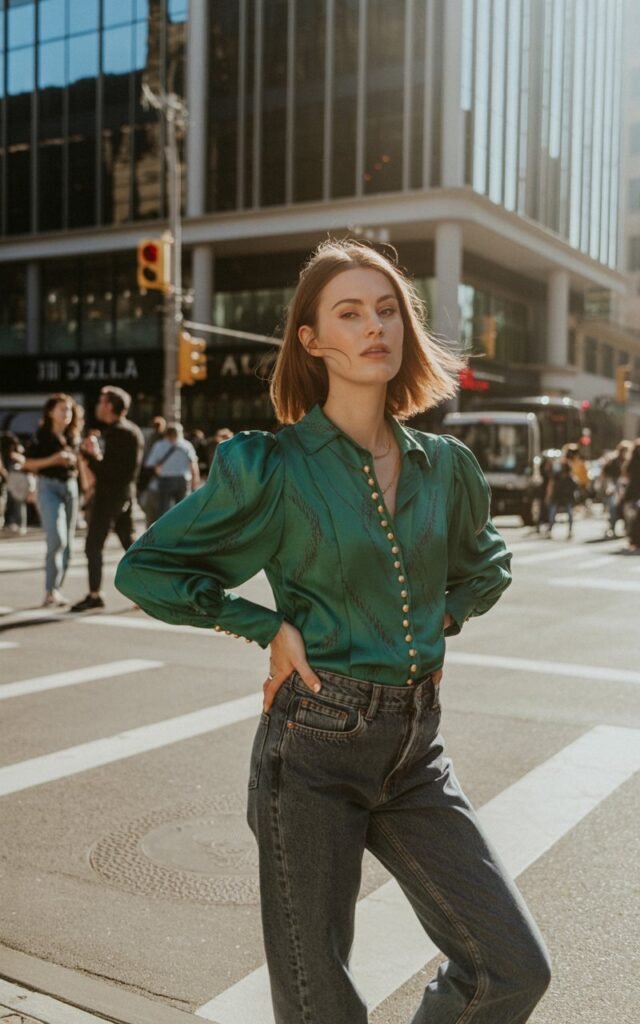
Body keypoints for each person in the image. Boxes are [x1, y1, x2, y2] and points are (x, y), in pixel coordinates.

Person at [115, 239, 550, 1024]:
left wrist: (431, 622)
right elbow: (147, 570)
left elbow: (487, 566)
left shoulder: (445, 466)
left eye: (387, 310)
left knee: (511, 970)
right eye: (348, 313)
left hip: (417, 748)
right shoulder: (273, 466)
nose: (373, 326)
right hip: (312, 745)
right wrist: (263, 625)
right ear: (311, 341)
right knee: (321, 1006)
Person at [70, 386, 143, 612]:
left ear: (110, 406)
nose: (97, 406)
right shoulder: (130, 430)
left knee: (94, 546)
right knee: (130, 547)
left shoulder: (118, 432)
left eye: (101, 402)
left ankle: (95, 594)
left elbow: (110, 471)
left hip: (110, 497)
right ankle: (144, 593)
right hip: (123, 496)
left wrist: (89, 457)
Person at [23, 394, 80, 606]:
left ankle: (56, 589)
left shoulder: (73, 435)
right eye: (62, 409)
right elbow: (27, 463)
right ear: (50, 412)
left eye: (69, 410)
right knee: (57, 539)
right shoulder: (42, 435)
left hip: (71, 487)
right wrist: (54, 460)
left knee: (69, 546)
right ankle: (50, 590)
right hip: (48, 486)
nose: (67, 413)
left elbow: (79, 466)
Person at [144, 422, 200, 519]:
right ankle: (181, 529)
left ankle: (165, 531)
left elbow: (150, 464)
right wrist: (195, 480)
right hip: (183, 480)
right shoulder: (186, 445)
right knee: (182, 509)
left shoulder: (159, 445)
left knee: (164, 509)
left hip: (165, 480)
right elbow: (193, 465)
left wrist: (159, 470)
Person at [545, 457, 578, 539]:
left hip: (566, 496)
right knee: (553, 513)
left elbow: (575, 485)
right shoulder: (556, 475)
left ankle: (569, 530)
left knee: (569, 513)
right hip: (557, 496)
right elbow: (551, 485)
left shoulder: (569, 476)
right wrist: (548, 496)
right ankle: (550, 529)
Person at [620, 439, 640, 552]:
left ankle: (633, 539)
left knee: (631, 518)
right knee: (634, 518)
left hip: (632, 493)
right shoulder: (631, 462)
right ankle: (634, 539)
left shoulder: (630, 461)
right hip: (633, 493)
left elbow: (625, 475)